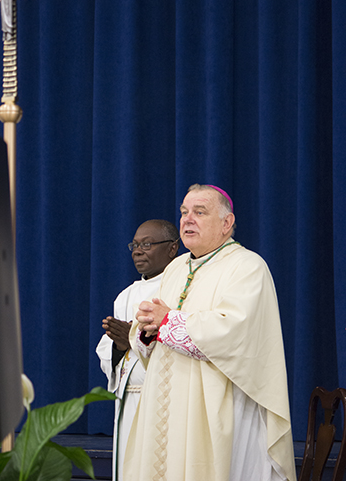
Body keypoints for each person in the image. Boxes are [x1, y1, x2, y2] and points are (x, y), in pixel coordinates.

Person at [124, 184, 297, 481]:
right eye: (184, 212)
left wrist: (167, 321)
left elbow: (231, 332)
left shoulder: (247, 267)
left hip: (220, 405)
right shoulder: (176, 268)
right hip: (169, 404)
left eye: (200, 212)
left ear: (226, 223)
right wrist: (147, 330)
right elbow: (156, 335)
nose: (188, 219)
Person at [96, 219, 179, 481]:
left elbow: (183, 340)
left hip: (165, 397)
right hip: (129, 398)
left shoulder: (180, 288)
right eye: (134, 245)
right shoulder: (125, 296)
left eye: (147, 244)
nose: (137, 251)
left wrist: (134, 340)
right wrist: (121, 346)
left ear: (172, 248)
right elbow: (107, 348)